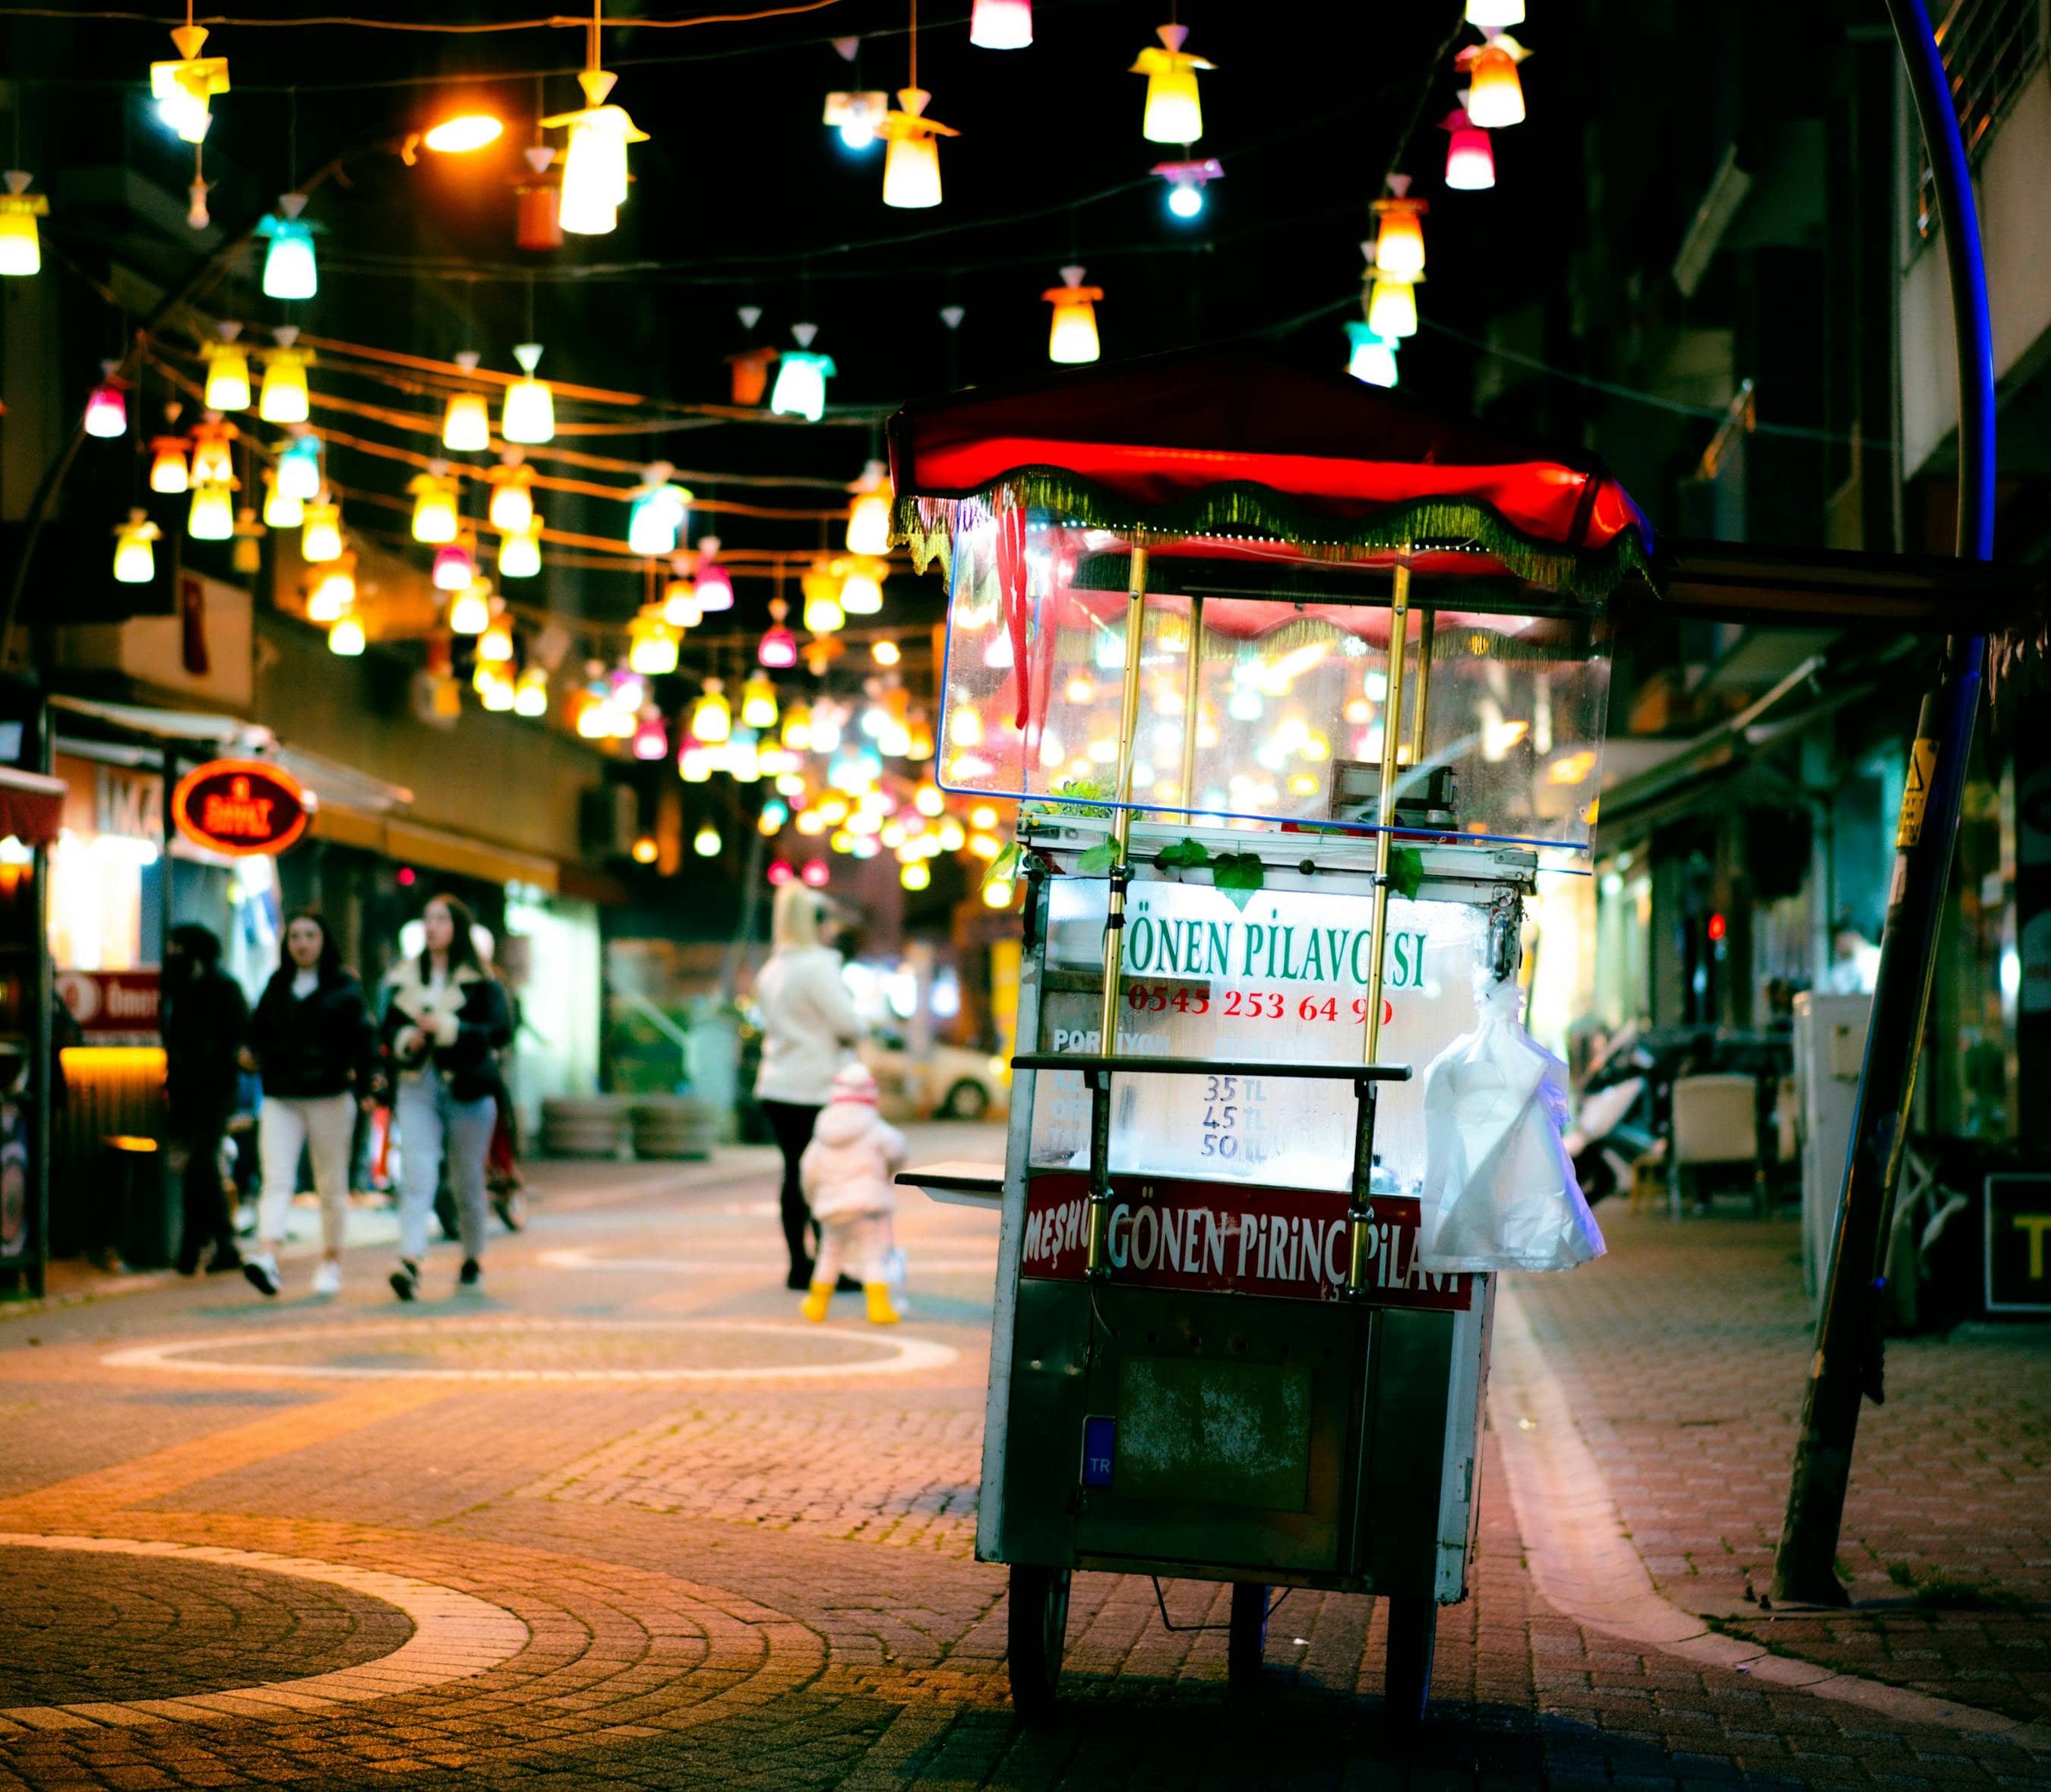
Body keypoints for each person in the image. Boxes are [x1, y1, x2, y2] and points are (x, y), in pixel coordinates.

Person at [379, 893, 512, 1300]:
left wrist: (450, 1029)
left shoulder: (482, 980)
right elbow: (386, 1026)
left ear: (458, 927)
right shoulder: (403, 977)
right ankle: (410, 1261)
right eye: (428, 919)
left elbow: (500, 1031)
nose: (432, 927)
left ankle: (472, 1258)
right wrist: (407, 1038)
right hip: (417, 1083)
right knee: (417, 1173)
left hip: (468, 1088)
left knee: (466, 1180)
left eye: (441, 919)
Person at [239, 911, 377, 1298]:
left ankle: (332, 1261)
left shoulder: (344, 987)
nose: (301, 943)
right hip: (281, 1094)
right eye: (295, 936)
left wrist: (369, 1084)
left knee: (331, 1184)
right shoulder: (277, 985)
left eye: (310, 935)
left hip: (330, 1095)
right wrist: (248, 1054)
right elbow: (256, 1033)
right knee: (276, 1177)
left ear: (323, 941)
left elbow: (364, 1038)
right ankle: (268, 1255)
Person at [754, 882, 866, 1290]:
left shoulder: (772, 970)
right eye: (828, 921)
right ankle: (827, 1267)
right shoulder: (818, 966)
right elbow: (849, 1024)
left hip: (776, 1086)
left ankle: (798, 1264)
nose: (833, 929)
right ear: (814, 923)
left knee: (794, 1175)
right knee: (824, 1178)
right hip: (814, 1088)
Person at [162, 923, 247, 1277]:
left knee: (200, 1164)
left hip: (214, 1090)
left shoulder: (221, 989)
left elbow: (235, 1037)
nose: (172, 954)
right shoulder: (180, 988)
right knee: (198, 1167)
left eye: (177, 947)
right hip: (188, 1090)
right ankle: (216, 1243)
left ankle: (201, 1244)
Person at [798, 1061, 904, 1325]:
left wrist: (812, 1198)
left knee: (829, 1254)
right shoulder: (875, 1127)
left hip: (831, 1206)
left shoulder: (823, 1133)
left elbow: (808, 1169)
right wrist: (889, 1170)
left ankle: (817, 1304)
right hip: (865, 1204)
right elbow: (897, 1150)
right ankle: (879, 1307)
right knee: (871, 1254)